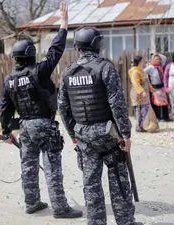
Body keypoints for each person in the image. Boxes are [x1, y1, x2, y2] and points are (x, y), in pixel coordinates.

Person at [0, 2, 83, 219]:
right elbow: (55, 51)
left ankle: (32, 202)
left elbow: (5, 110)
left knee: (28, 166)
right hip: (45, 126)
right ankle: (60, 208)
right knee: (52, 167)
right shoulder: (39, 71)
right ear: (31, 54)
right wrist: (63, 25)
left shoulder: (9, 80)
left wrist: (7, 131)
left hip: (25, 127)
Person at [58, 26, 143, 225]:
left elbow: (63, 107)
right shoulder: (105, 67)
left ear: (78, 45)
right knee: (119, 179)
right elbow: (117, 103)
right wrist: (125, 134)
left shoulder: (68, 72)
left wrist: (73, 134)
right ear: (97, 43)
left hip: (83, 134)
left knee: (90, 183)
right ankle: (125, 221)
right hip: (108, 134)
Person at [129, 55, 159, 132]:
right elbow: (136, 83)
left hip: (144, 94)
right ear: (139, 62)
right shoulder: (135, 71)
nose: (144, 62)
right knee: (139, 110)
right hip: (138, 95)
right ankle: (139, 127)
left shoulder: (141, 70)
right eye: (142, 61)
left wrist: (151, 89)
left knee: (145, 110)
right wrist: (142, 92)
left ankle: (145, 126)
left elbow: (146, 81)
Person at [144, 53, 169, 121]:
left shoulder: (161, 66)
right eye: (156, 59)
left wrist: (157, 54)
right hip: (154, 87)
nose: (158, 60)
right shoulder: (150, 67)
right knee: (155, 103)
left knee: (164, 103)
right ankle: (157, 117)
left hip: (161, 87)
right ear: (152, 60)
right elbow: (143, 72)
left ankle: (165, 117)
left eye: (158, 59)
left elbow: (164, 58)